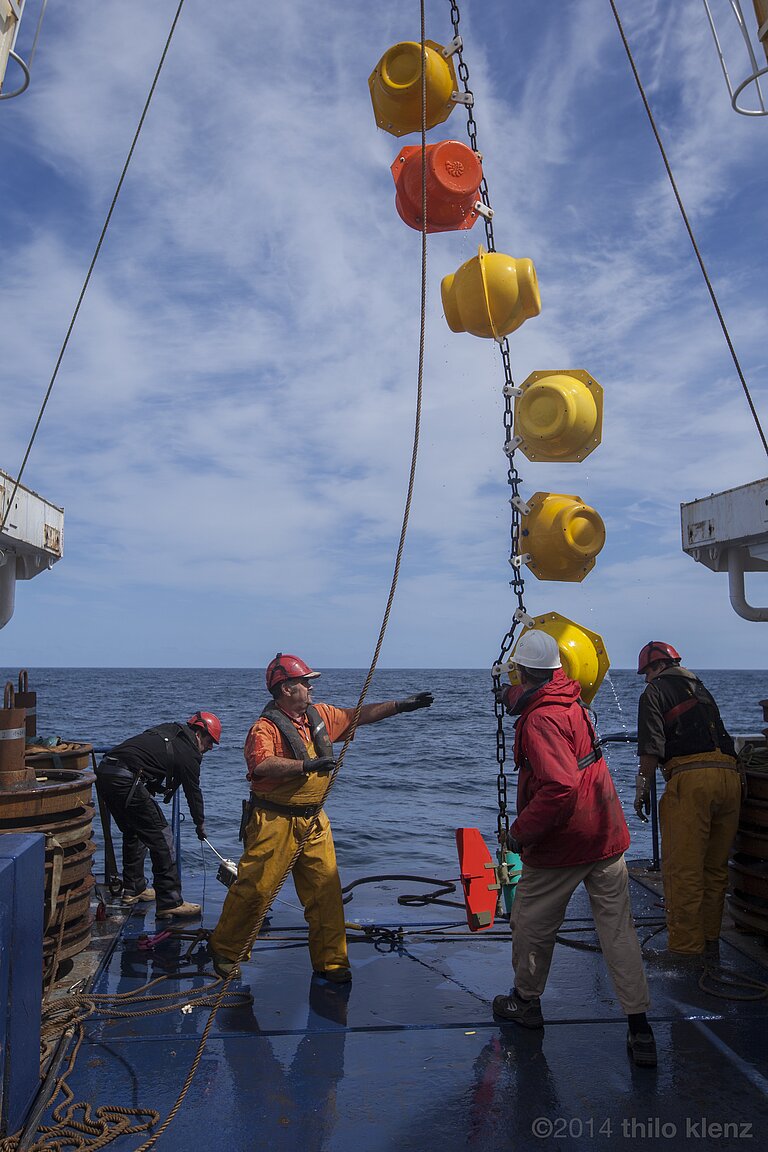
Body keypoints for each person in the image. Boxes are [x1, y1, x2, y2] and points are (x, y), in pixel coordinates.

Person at [209, 653, 433, 980]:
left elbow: (357, 715)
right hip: (275, 821)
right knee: (256, 890)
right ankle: (226, 950)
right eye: (305, 682)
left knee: (325, 892)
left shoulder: (321, 715)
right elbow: (261, 765)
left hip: (315, 821)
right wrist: (305, 765)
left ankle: (331, 962)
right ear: (286, 688)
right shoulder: (264, 728)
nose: (310, 688)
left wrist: (399, 706)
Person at [493, 629, 656, 1069]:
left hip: (565, 843)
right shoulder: (574, 702)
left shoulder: (541, 719)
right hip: (606, 835)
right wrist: (508, 693)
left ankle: (526, 1002)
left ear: (524, 671)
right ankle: (640, 1027)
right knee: (618, 932)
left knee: (529, 923)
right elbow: (528, 697)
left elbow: (559, 788)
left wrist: (521, 833)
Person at [634, 641, 741, 957]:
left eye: (646, 672)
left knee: (683, 871)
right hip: (729, 779)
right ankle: (710, 942)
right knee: (715, 869)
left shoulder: (654, 693)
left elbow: (651, 748)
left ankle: (684, 951)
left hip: (693, 781)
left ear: (657, 668)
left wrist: (642, 790)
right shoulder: (700, 688)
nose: (645, 680)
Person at [95, 710, 221, 918]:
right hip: (126, 779)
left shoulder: (169, 730)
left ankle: (133, 889)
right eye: (209, 742)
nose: (209, 748)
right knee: (163, 837)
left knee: (135, 831)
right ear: (198, 734)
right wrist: (200, 824)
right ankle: (170, 901)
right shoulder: (189, 753)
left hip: (106, 772)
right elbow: (193, 793)